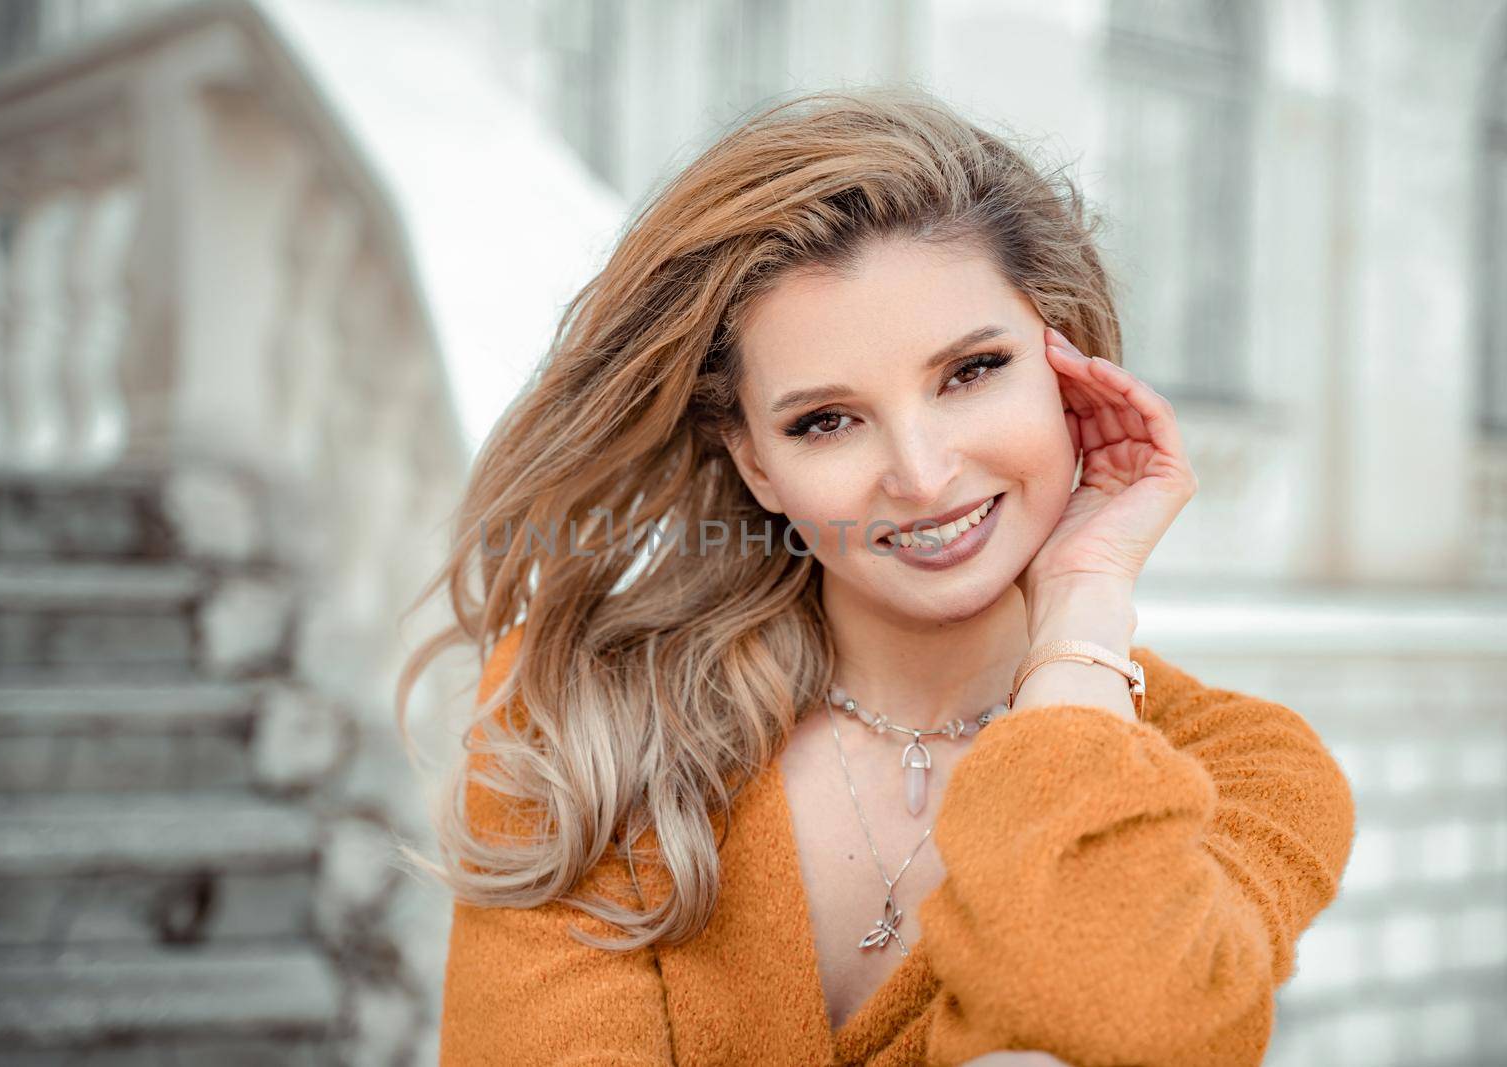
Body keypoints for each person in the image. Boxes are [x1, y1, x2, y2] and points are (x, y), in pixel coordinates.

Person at [397, 86, 1357, 1067]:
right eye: (825, 419)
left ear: (1069, 369)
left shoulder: (1251, 772)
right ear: (755, 461)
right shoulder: (585, 709)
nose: (923, 473)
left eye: (972, 371)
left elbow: (1117, 1023)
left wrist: (1082, 611)